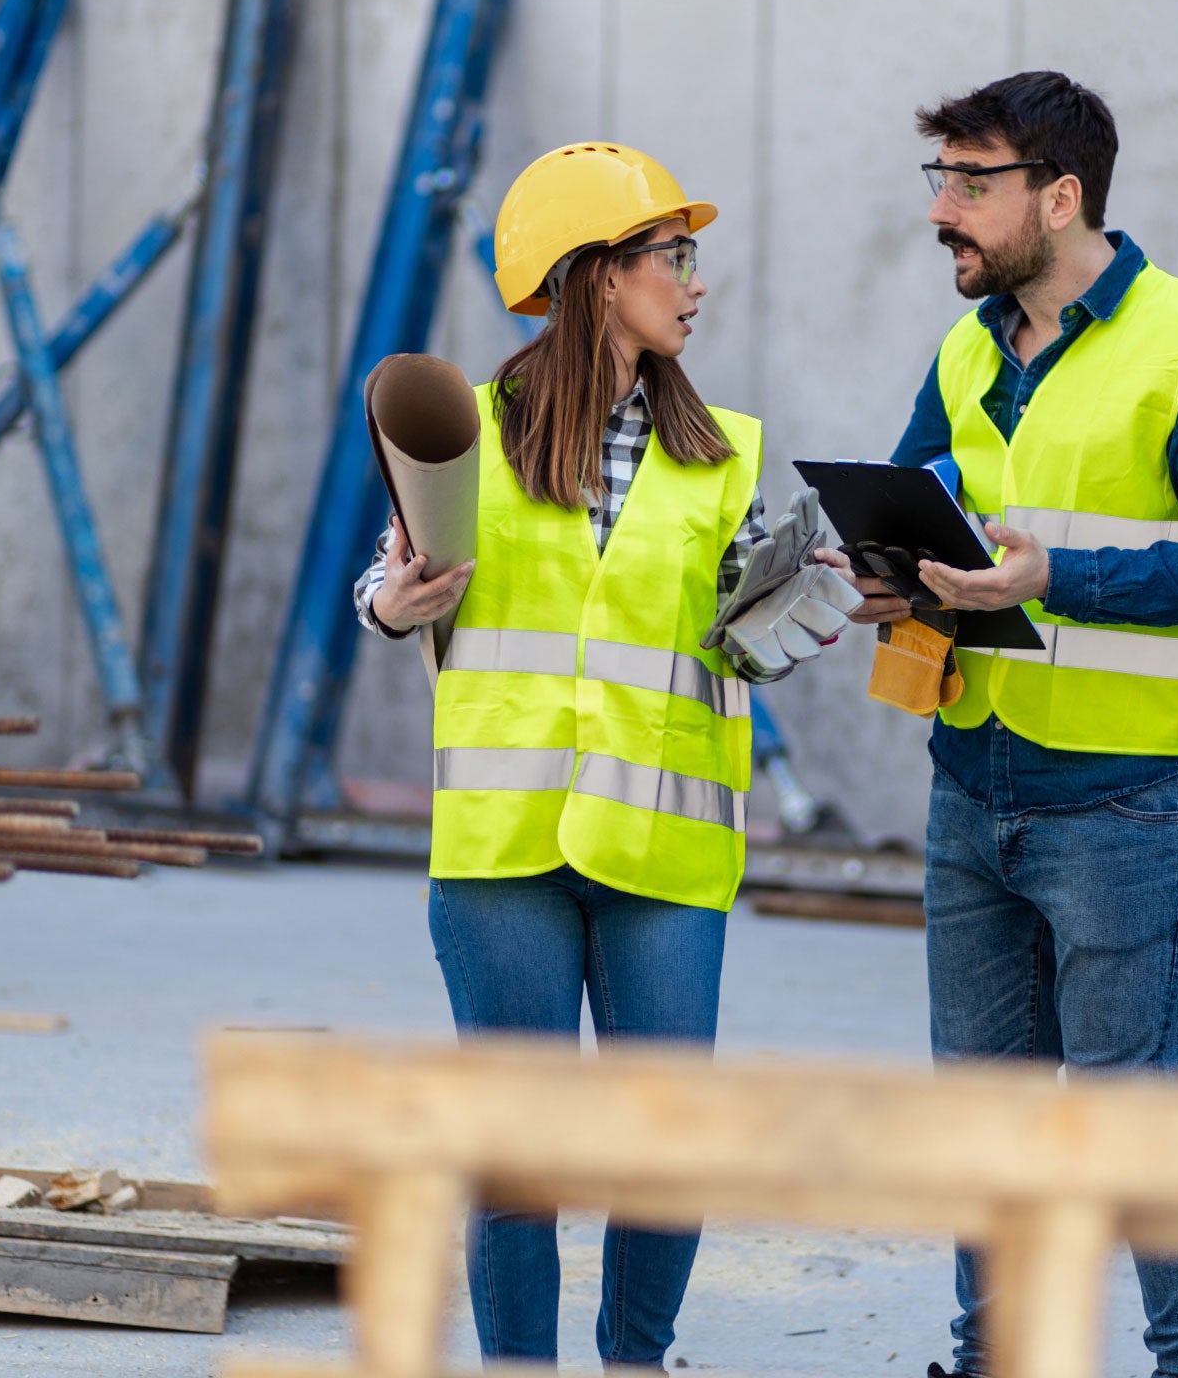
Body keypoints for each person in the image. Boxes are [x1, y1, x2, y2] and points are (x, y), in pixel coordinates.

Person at [354, 142, 856, 1369]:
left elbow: (741, 641)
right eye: (670, 257)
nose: (694, 283)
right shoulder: (462, 429)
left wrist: (794, 616)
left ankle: (635, 1360)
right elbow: (389, 576)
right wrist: (391, 603)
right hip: (503, 855)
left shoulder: (725, 450)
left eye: (692, 257)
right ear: (594, 277)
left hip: (666, 854)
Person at [850, 73, 1178, 1378]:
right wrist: (883, 575)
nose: (944, 210)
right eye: (939, 181)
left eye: (970, 184)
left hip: (1124, 803)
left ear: (1060, 195)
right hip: (969, 791)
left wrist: (1055, 579)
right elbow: (914, 502)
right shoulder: (969, 348)